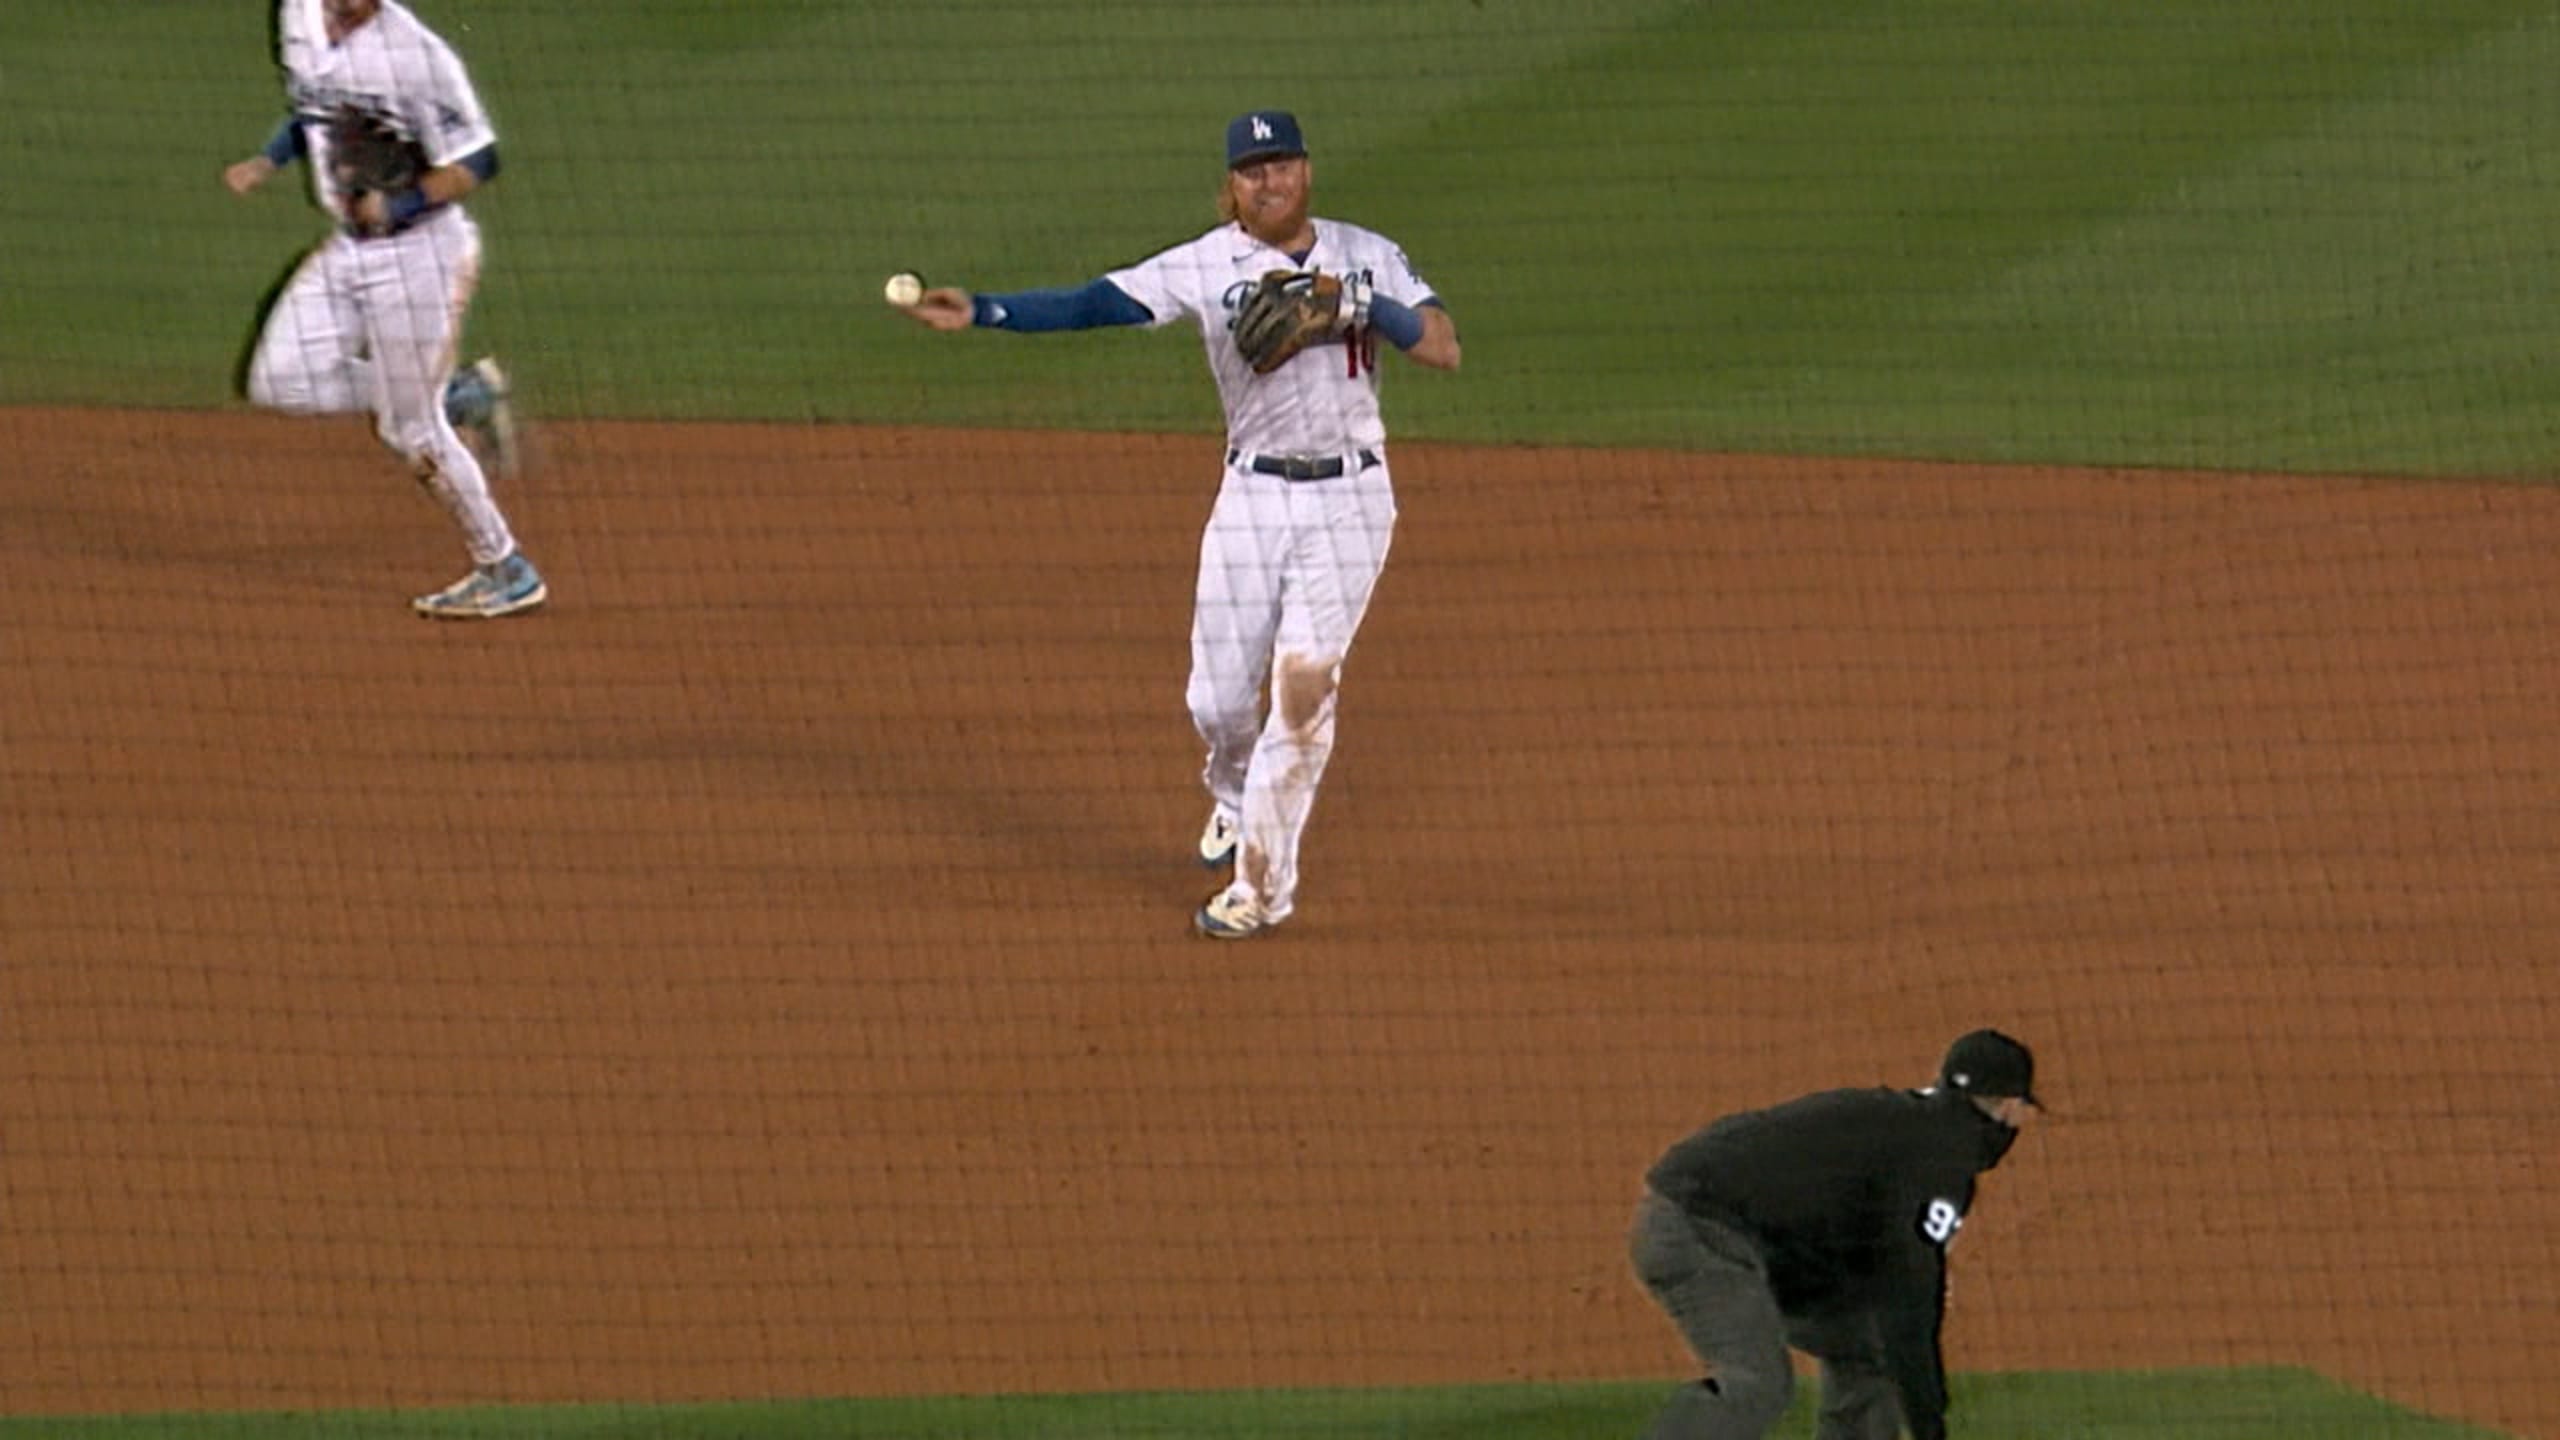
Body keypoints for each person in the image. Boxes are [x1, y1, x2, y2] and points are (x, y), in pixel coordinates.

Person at [897, 109, 1461, 938]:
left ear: (1306, 171)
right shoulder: (1204, 263)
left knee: (1303, 691)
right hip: (1252, 498)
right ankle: (1232, 794)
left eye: (1282, 164)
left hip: (1351, 501)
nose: (1269, 181)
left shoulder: (1366, 251)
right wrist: (986, 311)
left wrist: (1363, 303)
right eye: (1252, 170)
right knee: (1217, 700)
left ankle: (1261, 887)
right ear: (1231, 185)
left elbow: (1443, 346)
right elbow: (1097, 303)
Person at [222, 0, 544, 619]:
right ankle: (459, 395)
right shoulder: (296, 13)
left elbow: (478, 158)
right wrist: (268, 160)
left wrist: (400, 205)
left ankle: (505, 566)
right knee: (280, 380)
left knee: (409, 429)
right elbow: (315, 107)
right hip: (348, 250)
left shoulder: (417, 56)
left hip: (421, 256)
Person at [1628, 1030, 2043, 1440]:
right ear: (2008, 1106)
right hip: (1700, 1227)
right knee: (1757, 1384)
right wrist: (1928, 1425)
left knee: (1870, 1349)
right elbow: (1911, 1303)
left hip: (1755, 1235)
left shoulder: (1911, 1128)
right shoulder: (1942, 1160)